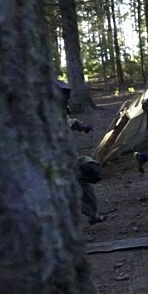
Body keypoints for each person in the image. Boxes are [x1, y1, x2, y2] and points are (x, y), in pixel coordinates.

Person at [57, 80, 106, 225]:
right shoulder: (41, 112)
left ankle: (92, 214)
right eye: (63, 94)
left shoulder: (59, 110)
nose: (66, 97)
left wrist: (81, 126)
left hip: (67, 156)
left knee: (88, 172)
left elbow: (67, 122)